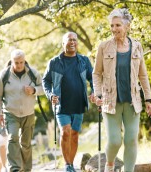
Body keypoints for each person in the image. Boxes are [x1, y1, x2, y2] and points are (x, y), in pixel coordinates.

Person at [92, 8, 151, 172]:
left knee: (131, 140)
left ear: (127, 26)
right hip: (110, 101)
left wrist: (148, 99)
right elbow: (96, 73)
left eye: (117, 25)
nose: (114, 29)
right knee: (114, 141)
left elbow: (143, 75)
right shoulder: (104, 46)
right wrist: (98, 94)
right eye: (112, 25)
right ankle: (110, 164)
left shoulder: (137, 47)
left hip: (133, 101)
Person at [42, 32, 94, 172]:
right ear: (63, 43)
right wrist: (50, 94)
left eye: (74, 40)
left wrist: (95, 92)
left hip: (79, 104)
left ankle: (71, 164)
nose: (72, 42)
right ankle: (68, 165)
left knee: (75, 135)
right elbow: (45, 81)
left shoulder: (84, 61)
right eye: (69, 40)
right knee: (66, 132)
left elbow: (93, 78)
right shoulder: (54, 62)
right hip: (61, 105)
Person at [0, 49, 43, 172]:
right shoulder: (4, 75)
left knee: (26, 143)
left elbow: (44, 89)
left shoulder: (33, 73)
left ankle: (26, 169)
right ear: (12, 61)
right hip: (11, 113)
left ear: (24, 60)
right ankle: (15, 169)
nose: (19, 65)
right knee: (13, 138)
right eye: (16, 62)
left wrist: (34, 90)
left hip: (29, 113)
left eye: (21, 62)